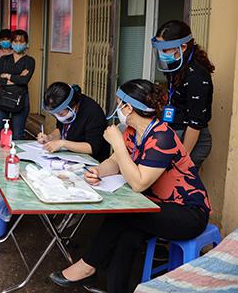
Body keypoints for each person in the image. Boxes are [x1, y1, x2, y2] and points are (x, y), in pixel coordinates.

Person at [50, 79, 210, 293]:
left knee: (123, 215)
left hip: (187, 212)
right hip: (155, 205)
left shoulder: (163, 137)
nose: (117, 110)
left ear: (128, 107)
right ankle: (111, 285)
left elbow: (138, 182)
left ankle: (87, 266)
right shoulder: (132, 132)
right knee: (127, 237)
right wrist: (97, 171)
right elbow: (115, 162)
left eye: (119, 104)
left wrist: (116, 143)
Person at [151, 20, 214, 168]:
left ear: (183, 47)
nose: (161, 54)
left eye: (165, 50)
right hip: (176, 131)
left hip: (191, 138)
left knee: (179, 184)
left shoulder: (197, 76)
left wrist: (182, 157)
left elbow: (195, 124)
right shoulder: (177, 65)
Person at [38, 83, 110, 163]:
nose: (58, 117)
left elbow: (92, 147)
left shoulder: (93, 112)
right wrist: (50, 137)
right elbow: (61, 130)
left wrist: (63, 143)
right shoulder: (64, 110)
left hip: (92, 163)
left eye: (60, 114)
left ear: (73, 106)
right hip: (70, 158)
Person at [0, 30, 35, 141]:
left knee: (18, 136)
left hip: (20, 100)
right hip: (3, 99)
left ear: (26, 43)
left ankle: (15, 158)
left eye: (21, 41)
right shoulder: (4, 59)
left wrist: (7, 75)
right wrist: (17, 77)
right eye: (15, 41)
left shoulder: (30, 61)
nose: (18, 44)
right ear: (12, 42)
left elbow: (24, 80)